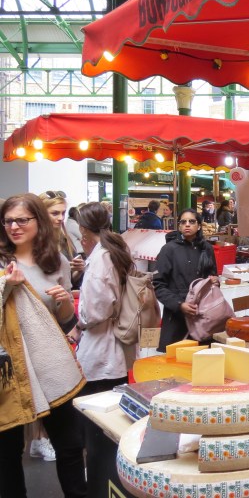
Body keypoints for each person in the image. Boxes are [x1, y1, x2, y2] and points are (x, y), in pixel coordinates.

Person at [0, 193, 87, 498]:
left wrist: (64, 302)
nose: (14, 226)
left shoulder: (57, 262)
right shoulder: (0, 262)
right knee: (7, 451)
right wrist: (5, 286)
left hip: (49, 364)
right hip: (9, 369)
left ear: (38, 220)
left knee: (71, 444)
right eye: (8, 220)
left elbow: (62, 322)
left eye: (22, 219)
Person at [73, 202, 136, 497]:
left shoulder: (101, 259)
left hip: (100, 352)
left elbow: (95, 311)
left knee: (96, 431)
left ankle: (98, 484)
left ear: (84, 229)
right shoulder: (112, 251)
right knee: (109, 425)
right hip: (114, 349)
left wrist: (79, 319)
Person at [153, 208, 218, 352]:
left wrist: (214, 281)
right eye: (183, 222)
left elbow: (213, 275)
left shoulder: (206, 249)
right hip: (176, 316)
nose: (187, 225)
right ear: (179, 226)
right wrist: (179, 304)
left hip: (202, 315)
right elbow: (158, 284)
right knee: (175, 363)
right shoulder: (168, 250)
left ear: (199, 226)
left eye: (192, 221)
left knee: (201, 361)